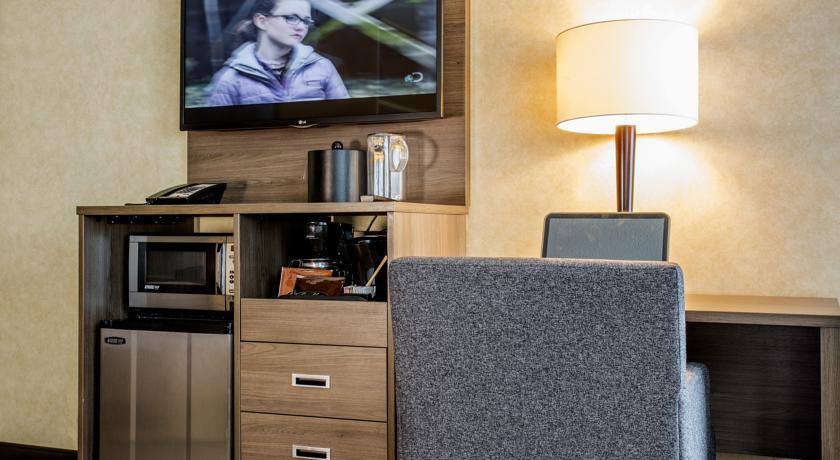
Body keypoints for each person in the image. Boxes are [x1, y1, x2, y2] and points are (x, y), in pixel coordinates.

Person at [207, 0, 349, 106]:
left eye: (306, 21)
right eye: (291, 18)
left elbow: (344, 116)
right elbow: (216, 130)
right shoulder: (230, 78)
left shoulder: (323, 67)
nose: (301, 27)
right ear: (262, 21)